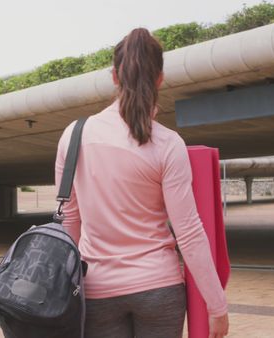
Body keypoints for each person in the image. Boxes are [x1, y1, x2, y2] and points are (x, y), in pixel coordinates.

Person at [55, 28, 229, 338]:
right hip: (159, 288)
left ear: (114, 76)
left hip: (97, 289)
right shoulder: (168, 143)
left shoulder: (74, 136)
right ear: (160, 78)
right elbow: (188, 233)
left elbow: (70, 220)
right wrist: (217, 306)